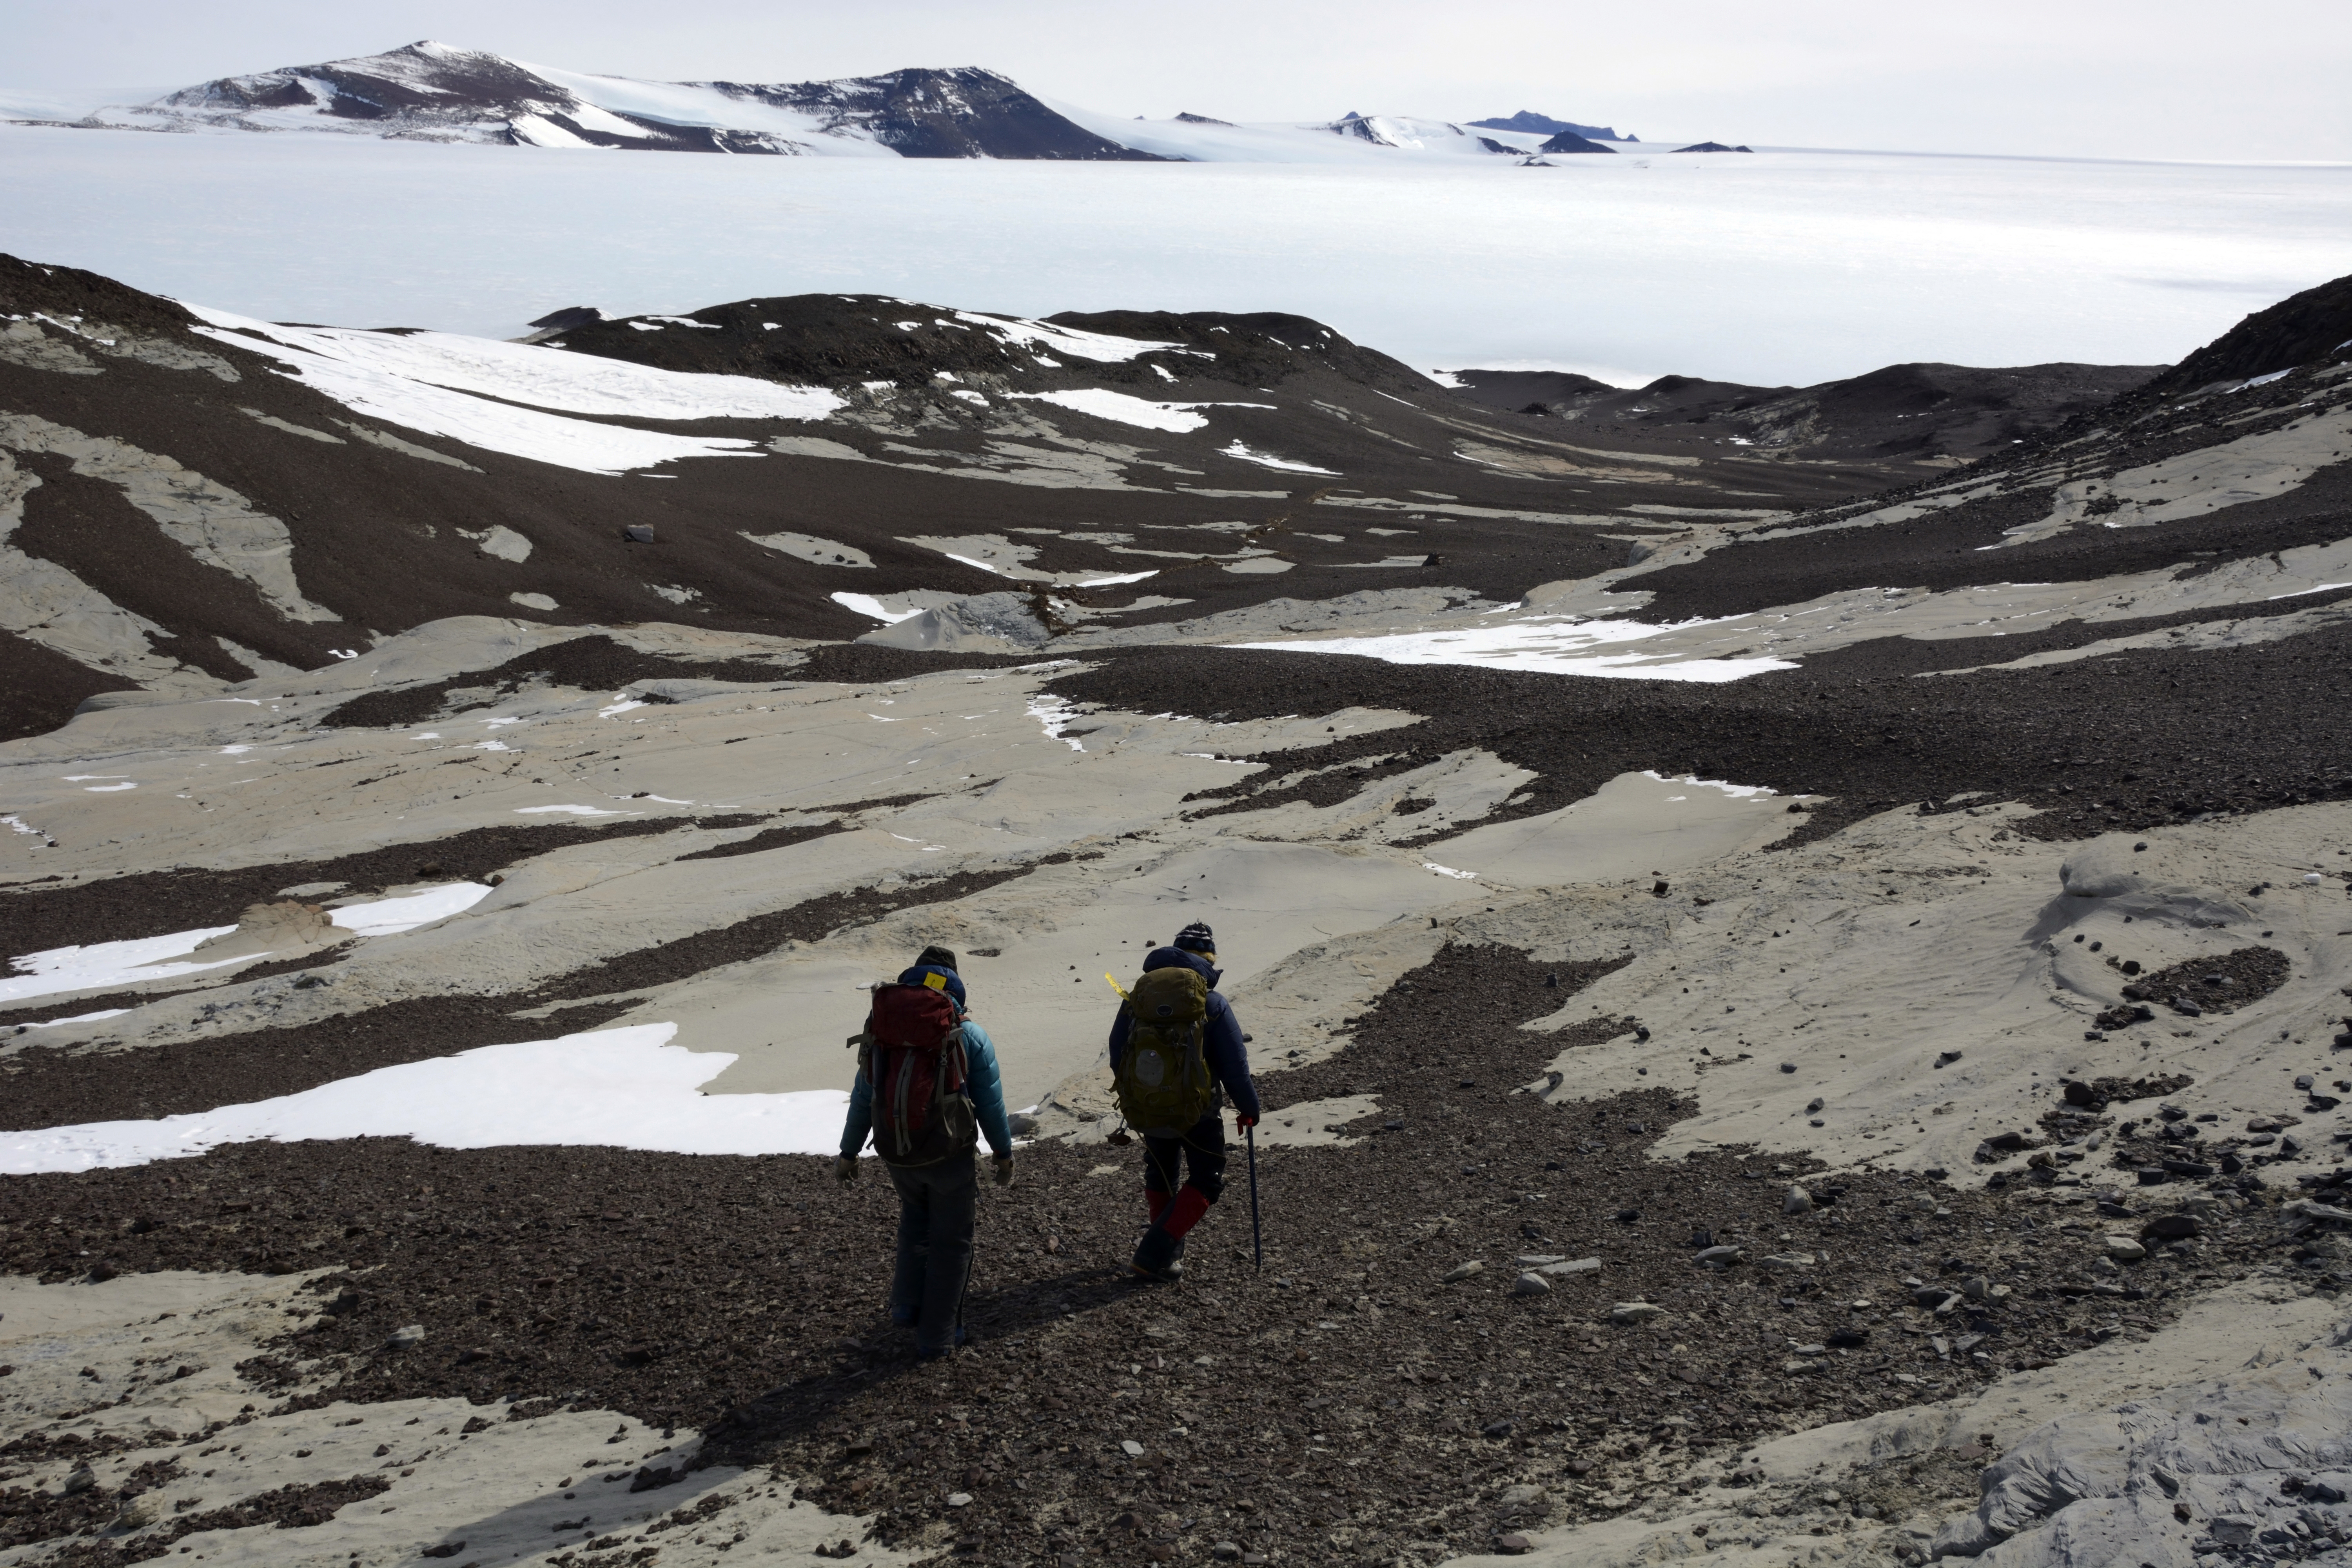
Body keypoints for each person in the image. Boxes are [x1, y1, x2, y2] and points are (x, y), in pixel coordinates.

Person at [837, 945, 1013, 1358]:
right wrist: (1003, 1152)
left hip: (897, 1151)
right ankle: (938, 1335)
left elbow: (865, 1095)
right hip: (949, 1152)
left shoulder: (884, 1028)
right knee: (952, 1242)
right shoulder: (967, 1032)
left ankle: (906, 1307)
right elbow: (989, 1101)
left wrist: (848, 1153)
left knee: (915, 1223)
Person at [1110, 921, 1261, 1283]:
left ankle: (1165, 1257)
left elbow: (1118, 1054)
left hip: (1148, 1106)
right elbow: (1234, 1066)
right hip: (1199, 1111)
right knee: (1207, 1180)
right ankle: (1154, 1251)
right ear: (1209, 960)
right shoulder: (1212, 1002)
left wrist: (1139, 1095)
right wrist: (1249, 1107)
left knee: (1161, 1172)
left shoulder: (1138, 999)